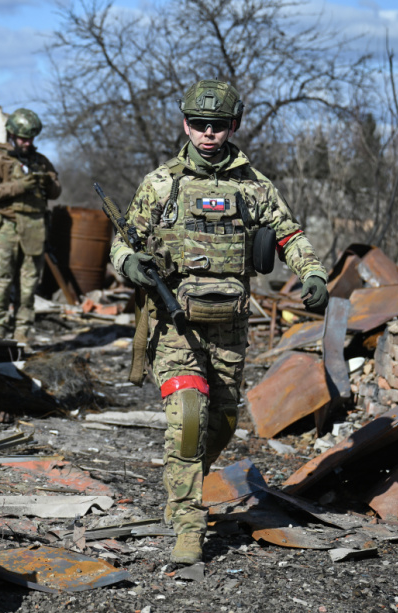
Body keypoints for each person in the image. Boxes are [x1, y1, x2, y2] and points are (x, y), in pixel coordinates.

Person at [109, 79, 329, 565]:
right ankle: (188, 525)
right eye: (199, 124)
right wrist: (130, 265)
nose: (208, 133)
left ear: (234, 126)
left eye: (219, 125)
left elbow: (289, 233)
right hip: (176, 325)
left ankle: (178, 479)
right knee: (189, 418)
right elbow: (121, 242)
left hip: (230, 327)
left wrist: (312, 271)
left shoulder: (253, 186)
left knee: (224, 421)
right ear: (185, 123)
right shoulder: (161, 184)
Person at [0, 108, 61, 342]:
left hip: (34, 228)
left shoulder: (40, 161)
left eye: (31, 139)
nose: (27, 143)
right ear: (12, 135)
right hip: (6, 226)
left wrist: (47, 182)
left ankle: (22, 332)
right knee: (2, 280)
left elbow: (56, 192)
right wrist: (21, 186)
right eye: (23, 138)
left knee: (28, 285)